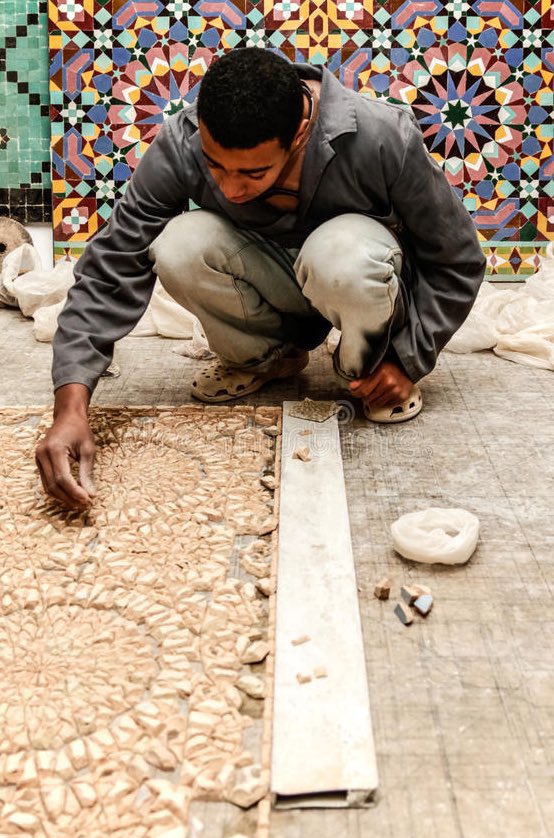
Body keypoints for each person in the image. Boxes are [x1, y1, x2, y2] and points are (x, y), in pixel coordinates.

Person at [35, 47, 486, 510]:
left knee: (342, 253)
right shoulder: (182, 141)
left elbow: (457, 259)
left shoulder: (382, 136)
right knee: (178, 243)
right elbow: (112, 264)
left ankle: (371, 370)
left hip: (356, 286)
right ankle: (269, 358)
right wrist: (70, 408)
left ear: (299, 134)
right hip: (275, 282)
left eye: (253, 172)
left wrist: (408, 358)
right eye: (216, 166)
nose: (230, 188)